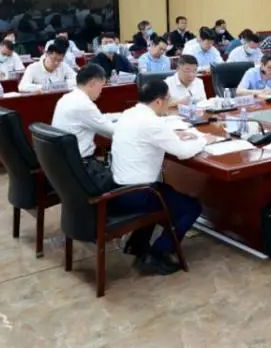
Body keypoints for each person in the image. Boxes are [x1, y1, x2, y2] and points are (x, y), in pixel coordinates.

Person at [110, 79, 218, 275]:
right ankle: (157, 254)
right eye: (168, 99)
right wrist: (203, 140)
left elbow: (155, 137)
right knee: (190, 208)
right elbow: (183, 152)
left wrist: (176, 137)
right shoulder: (151, 123)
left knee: (169, 194)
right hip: (138, 193)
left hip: (118, 187)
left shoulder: (129, 114)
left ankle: (137, 244)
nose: (169, 103)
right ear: (159, 101)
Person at [51, 64, 115, 160]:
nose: (101, 91)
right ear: (92, 83)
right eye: (101, 86)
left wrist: (122, 116)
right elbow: (113, 132)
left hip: (64, 160)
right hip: (82, 162)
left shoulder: (67, 97)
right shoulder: (83, 104)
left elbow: (97, 118)